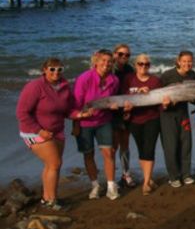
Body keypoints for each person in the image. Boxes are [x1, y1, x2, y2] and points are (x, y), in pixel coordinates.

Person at [16, 58, 76, 210]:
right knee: (55, 164)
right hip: (34, 132)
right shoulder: (35, 86)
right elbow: (22, 113)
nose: (56, 72)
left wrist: (81, 115)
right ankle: (51, 201)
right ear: (44, 70)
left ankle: (46, 198)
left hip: (57, 131)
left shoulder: (64, 86)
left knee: (51, 165)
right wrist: (40, 131)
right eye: (52, 69)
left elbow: (68, 111)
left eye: (59, 69)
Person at [72, 49, 120, 200]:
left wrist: (113, 106)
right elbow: (76, 104)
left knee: (109, 153)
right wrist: (76, 124)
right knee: (88, 154)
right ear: (96, 62)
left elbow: (112, 100)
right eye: (103, 60)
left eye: (109, 61)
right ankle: (95, 185)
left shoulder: (114, 80)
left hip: (104, 121)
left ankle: (111, 187)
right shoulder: (84, 78)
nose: (106, 64)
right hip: (85, 122)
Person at [121, 54, 163, 196]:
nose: (143, 66)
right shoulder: (128, 79)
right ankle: (149, 178)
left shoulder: (155, 81)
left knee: (149, 149)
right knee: (141, 149)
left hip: (152, 118)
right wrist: (135, 96)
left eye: (146, 64)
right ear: (135, 65)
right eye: (140, 64)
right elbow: (123, 96)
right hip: (134, 120)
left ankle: (146, 183)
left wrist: (166, 104)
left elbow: (159, 102)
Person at [160, 51, 195, 188]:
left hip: (183, 113)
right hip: (167, 115)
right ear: (178, 61)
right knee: (171, 146)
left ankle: (186, 174)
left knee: (186, 144)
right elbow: (156, 94)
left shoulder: (192, 75)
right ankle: (174, 177)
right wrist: (164, 104)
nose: (187, 64)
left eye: (190, 61)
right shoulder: (167, 75)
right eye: (185, 61)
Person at [112, 43, 136, 188]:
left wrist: (128, 109)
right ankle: (112, 177)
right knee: (113, 145)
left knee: (124, 143)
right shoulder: (109, 68)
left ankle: (125, 174)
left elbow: (132, 89)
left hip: (125, 108)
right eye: (120, 54)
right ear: (115, 54)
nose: (123, 57)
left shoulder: (130, 69)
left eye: (127, 55)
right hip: (111, 110)